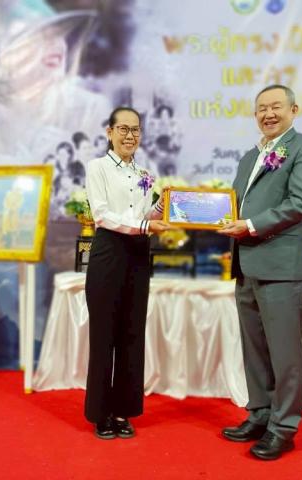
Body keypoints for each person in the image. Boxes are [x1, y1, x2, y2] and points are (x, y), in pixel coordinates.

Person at [217, 84, 302, 460]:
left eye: (276, 107)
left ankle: (284, 427)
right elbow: (235, 205)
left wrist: (249, 225)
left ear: (294, 110)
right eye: (261, 108)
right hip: (246, 265)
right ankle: (260, 415)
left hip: (281, 268)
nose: (268, 114)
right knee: (255, 351)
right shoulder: (250, 157)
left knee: (284, 354)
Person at [84, 106, 170, 440]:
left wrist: (165, 205)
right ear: (109, 132)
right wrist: (145, 225)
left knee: (132, 335)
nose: (130, 135)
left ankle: (123, 411)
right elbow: (102, 215)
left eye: (135, 130)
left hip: (137, 255)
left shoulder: (145, 173)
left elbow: (145, 214)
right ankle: (100, 413)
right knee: (104, 336)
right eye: (123, 129)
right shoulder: (98, 168)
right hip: (108, 253)